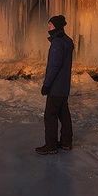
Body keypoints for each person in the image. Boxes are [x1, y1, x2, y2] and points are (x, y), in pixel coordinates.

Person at [35, 14, 74, 155]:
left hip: (56, 87)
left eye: (50, 25)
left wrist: (46, 85)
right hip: (64, 87)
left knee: (50, 115)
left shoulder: (57, 43)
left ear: (56, 26)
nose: (48, 27)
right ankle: (66, 142)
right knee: (64, 114)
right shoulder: (67, 41)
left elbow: (54, 67)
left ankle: (51, 145)